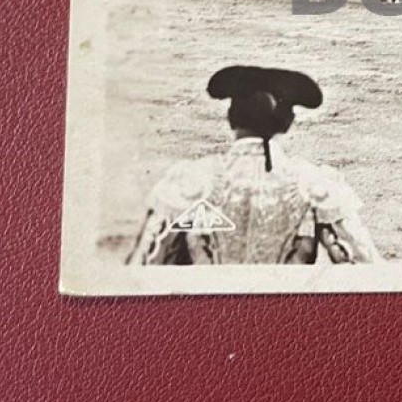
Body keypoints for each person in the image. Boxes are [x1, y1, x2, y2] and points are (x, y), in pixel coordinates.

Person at [128, 66, 381, 265]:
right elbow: (365, 269)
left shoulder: (192, 181)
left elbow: (145, 270)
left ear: (231, 118)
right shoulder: (314, 184)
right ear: (286, 123)